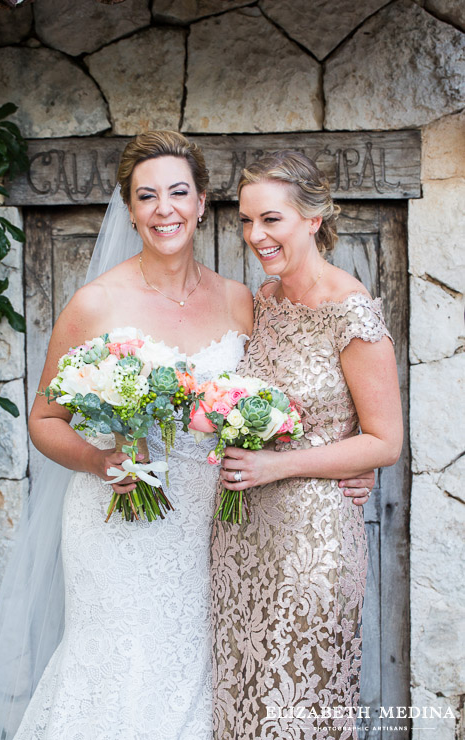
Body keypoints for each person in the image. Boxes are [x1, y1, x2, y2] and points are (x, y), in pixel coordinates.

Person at [0, 133, 374, 740]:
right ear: (129, 209)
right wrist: (103, 461)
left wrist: (351, 459)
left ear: (202, 201)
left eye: (178, 192)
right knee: (119, 668)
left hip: (215, 525)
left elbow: (289, 395)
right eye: (147, 195)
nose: (165, 208)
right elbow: (43, 420)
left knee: (198, 671)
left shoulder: (246, 302)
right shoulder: (96, 303)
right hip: (117, 520)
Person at [211, 151, 403, 740]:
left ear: (314, 219)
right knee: (240, 703)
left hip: (311, 550)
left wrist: (280, 465)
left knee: (297, 706)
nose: (255, 236)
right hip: (240, 543)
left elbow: (386, 440)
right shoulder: (263, 302)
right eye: (246, 221)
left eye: (272, 219)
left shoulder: (351, 312)